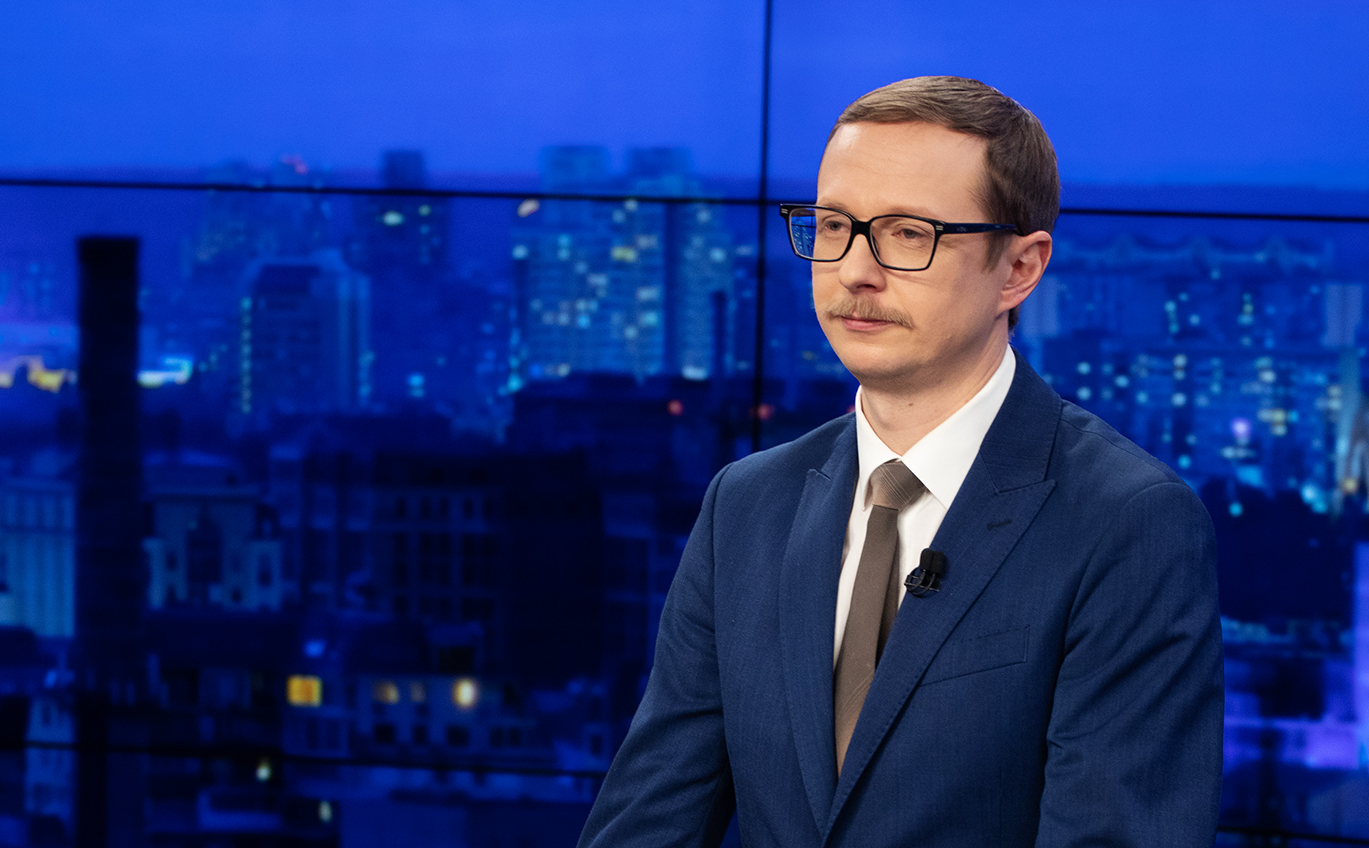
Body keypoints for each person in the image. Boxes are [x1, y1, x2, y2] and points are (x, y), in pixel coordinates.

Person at [578, 76, 1224, 847]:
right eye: (832, 225)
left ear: (1018, 269)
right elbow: (646, 822)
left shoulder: (1127, 523)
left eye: (908, 233)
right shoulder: (745, 505)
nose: (854, 270)